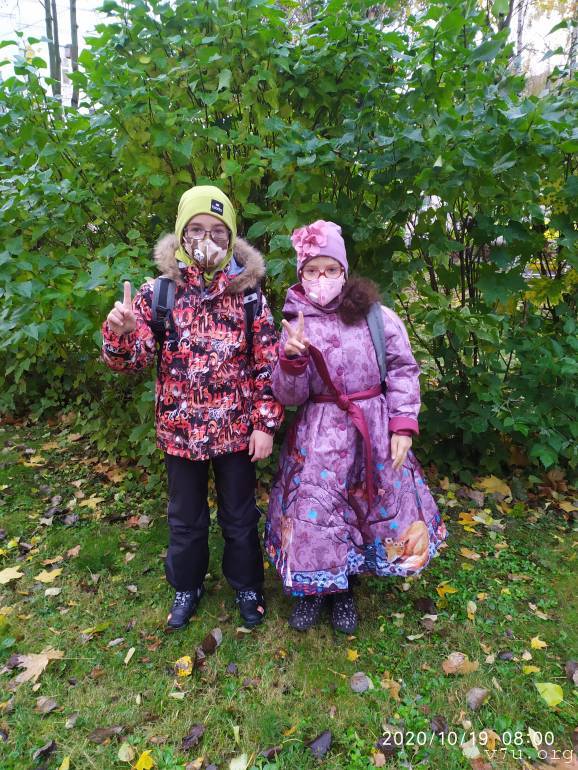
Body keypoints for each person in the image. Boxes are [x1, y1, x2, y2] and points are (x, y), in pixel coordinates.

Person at [101, 185, 284, 630]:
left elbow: (267, 365)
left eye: (218, 231)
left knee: (240, 517)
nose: (207, 239)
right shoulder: (159, 294)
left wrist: (264, 424)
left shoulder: (249, 296)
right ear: (182, 233)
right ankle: (187, 585)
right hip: (180, 432)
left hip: (235, 432)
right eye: (197, 229)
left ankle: (247, 585)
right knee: (185, 519)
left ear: (231, 237)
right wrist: (121, 334)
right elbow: (133, 360)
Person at [265, 220, 447, 633]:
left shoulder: (376, 318)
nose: (322, 278)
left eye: (331, 269)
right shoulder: (295, 323)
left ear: (344, 271)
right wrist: (291, 360)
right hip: (319, 437)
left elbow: (402, 369)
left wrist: (403, 424)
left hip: (372, 432)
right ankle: (313, 590)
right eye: (312, 270)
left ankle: (344, 588)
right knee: (316, 512)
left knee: (363, 509)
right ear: (300, 274)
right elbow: (289, 395)